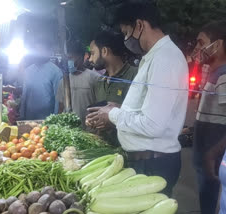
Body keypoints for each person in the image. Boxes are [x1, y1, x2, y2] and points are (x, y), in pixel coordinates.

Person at [86, 0, 188, 196]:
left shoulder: (164, 59)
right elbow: (149, 110)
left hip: (152, 164)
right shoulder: (153, 58)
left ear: (140, 25)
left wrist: (114, 114)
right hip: (146, 161)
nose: (126, 39)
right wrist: (121, 110)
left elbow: (152, 124)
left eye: (126, 32)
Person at [190, 21, 226, 214]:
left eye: (201, 42)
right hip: (205, 155)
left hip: (212, 159)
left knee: (211, 201)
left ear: (218, 44)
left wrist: (213, 153)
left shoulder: (224, 76)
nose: (197, 48)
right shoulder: (214, 75)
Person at [86, 31, 138, 146]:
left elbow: (142, 116)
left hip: (129, 150)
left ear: (104, 51)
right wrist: (94, 120)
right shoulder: (100, 82)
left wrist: (113, 119)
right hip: (104, 150)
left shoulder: (136, 76)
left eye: (93, 53)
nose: (90, 59)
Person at [56, 42, 100, 128]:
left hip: (89, 130)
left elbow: (100, 106)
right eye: (66, 59)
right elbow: (61, 107)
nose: (68, 62)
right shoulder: (63, 81)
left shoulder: (94, 78)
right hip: (69, 130)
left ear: (81, 57)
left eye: (70, 58)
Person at [20, 39, 63, 120]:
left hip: (47, 120)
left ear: (48, 52)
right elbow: (24, 96)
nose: (37, 53)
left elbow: (58, 100)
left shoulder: (56, 72)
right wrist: (22, 115)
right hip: (29, 118)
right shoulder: (28, 71)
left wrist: (55, 120)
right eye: (35, 50)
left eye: (41, 50)